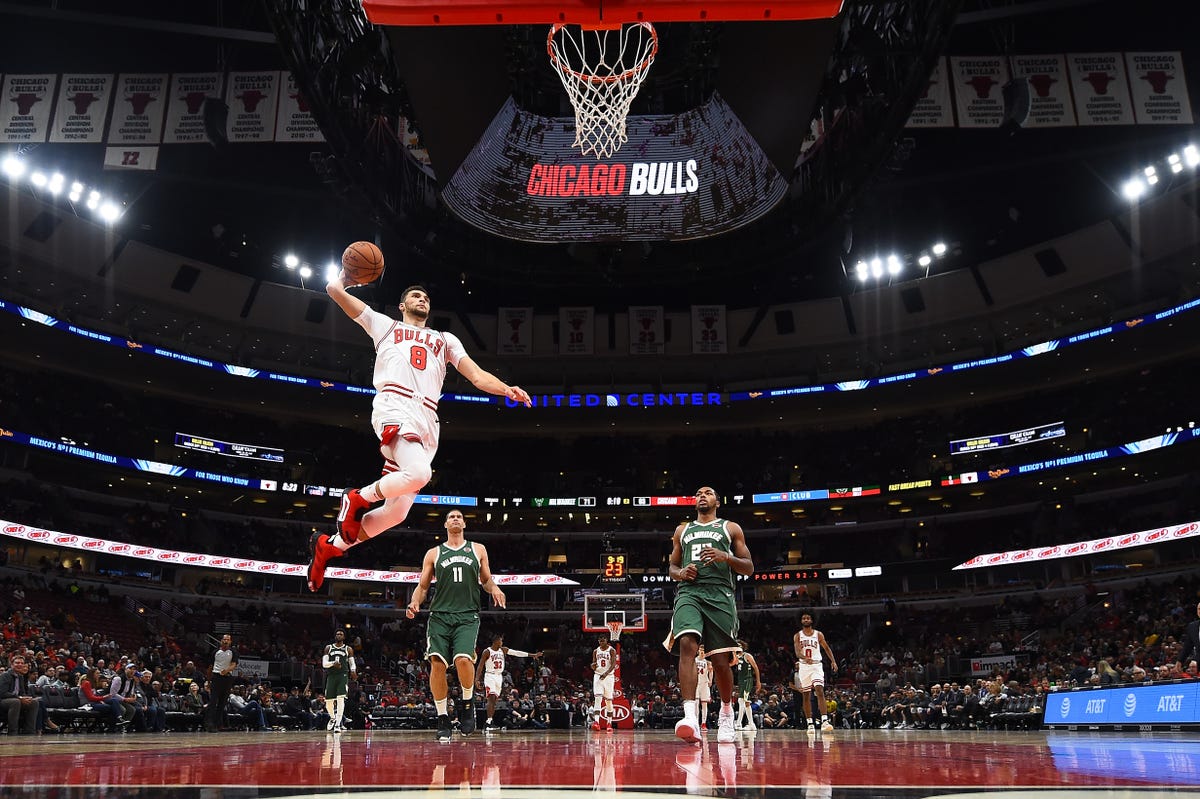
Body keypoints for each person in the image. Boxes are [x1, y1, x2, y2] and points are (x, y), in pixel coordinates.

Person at [306, 279, 532, 592]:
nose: (422, 298)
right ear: (402, 305)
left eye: (426, 296)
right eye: (415, 295)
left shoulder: (445, 339)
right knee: (419, 473)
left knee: (396, 512)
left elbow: (477, 376)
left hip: (428, 419)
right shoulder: (384, 325)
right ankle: (356, 497)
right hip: (394, 404)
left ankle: (331, 546)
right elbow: (334, 291)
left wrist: (507, 389)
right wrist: (345, 278)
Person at [405, 509, 507, 742]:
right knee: (437, 664)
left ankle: (468, 702)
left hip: (467, 615)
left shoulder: (478, 549)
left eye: (459, 517)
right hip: (439, 615)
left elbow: (486, 580)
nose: (455, 519)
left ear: (464, 525)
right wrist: (413, 602)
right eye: (451, 517)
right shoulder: (434, 553)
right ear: (445, 524)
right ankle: (442, 717)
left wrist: (496, 589)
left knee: (463, 659)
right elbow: (422, 587)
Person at [664, 485, 754, 744]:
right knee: (686, 643)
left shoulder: (730, 528)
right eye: (698, 494)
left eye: (708, 492)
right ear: (695, 503)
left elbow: (748, 568)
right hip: (689, 592)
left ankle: (726, 713)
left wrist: (725, 557)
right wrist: (681, 573)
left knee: (721, 661)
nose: (702, 495)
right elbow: (672, 565)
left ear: (717, 501)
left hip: (720, 594)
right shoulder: (683, 530)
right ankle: (690, 716)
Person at [475, 633, 541, 732]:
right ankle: (488, 722)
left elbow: (516, 653)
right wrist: (477, 679)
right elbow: (480, 666)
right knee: (491, 698)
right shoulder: (487, 651)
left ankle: (490, 722)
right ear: (496, 641)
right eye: (501, 640)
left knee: (494, 701)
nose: (502, 642)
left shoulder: (503, 650)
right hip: (490, 675)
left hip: (499, 676)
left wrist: (532, 655)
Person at [793, 612, 838, 734]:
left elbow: (827, 648)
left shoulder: (818, 634)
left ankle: (824, 721)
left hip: (816, 665)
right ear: (801, 621)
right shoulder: (798, 635)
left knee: (819, 690)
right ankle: (810, 723)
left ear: (812, 620)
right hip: (803, 666)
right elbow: (797, 652)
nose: (806, 620)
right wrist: (803, 657)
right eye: (803, 618)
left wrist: (833, 661)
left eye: (808, 618)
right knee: (806, 695)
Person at [323, 630, 358, 732]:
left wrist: (353, 671)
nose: (339, 635)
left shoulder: (348, 649)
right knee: (328, 702)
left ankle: (338, 724)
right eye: (337, 634)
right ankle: (333, 718)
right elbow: (324, 664)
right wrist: (333, 663)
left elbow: (352, 662)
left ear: (344, 637)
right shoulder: (328, 648)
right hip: (331, 675)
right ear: (335, 636)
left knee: (340, 699)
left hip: (343, 675)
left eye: (341, 634)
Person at [0, 655, 39, 735]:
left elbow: (22, 693)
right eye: (17, 663)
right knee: (16, 702)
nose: (20, 665)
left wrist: (26, 698)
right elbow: (2, 693)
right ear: (12, 664)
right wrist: (19, 698)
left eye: (21, 663)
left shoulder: (21, 677)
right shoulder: (5, 675)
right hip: (3, 700)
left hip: (16, 699)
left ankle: (29, 731)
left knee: (34, 702)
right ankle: (12, 731)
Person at [207, 634, 237, 732]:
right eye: (224, 639)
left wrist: (227, 670)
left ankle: (216, 724)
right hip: (216, 677)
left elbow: (233, 665)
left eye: (228, 639)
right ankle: (210, 723)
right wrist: (208, 680)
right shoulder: (215, 652)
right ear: (221, 641)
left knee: (222, 703)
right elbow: (210, 667)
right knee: (213, 701)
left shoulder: (233, 652)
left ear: (230, 641)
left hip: (227, 678)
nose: (225, 641)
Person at [590, 635, 617, 732]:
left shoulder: (611, 650)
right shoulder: (595, 651)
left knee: (608, 701)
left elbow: (614, 664)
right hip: (598, 675)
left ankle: (609, 723)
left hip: (609, 676)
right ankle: (596, 723)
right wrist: (592, 666)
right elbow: (594, 664)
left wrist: (606, 673)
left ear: (606, 641)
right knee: (598, 698)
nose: (601, 642)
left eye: (603, 640)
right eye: (600, 640)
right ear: (598, 641)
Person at [732, 640, 761, 730]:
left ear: (743, 647)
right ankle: (751, 724)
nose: (739, 646)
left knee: (742, 701)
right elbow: (731, 664)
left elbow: (755, 667)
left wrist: (758, 681)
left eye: (740, 645)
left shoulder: (747, 656)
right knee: (746, 702)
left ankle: (739, 723)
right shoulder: (736, 657)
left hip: (747, 680)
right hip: (741, 681)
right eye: (737, 645)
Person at [1177, 601, 1200, 670]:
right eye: (1199, 609)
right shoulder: (1192, 626)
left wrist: (1195, 659)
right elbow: (1187, 646)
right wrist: (1179, 661)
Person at [695, 644, 712, 732]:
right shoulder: (694, 660)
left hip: (704, 683)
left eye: (704, 651)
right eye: (701, 651)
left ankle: (703, 723)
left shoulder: (708, 662)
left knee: (704, 704)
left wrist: (710, 680)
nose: (702, 653)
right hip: (696, 683)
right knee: (696, 704)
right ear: (698, 651)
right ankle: (696, 723)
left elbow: (711, 671)